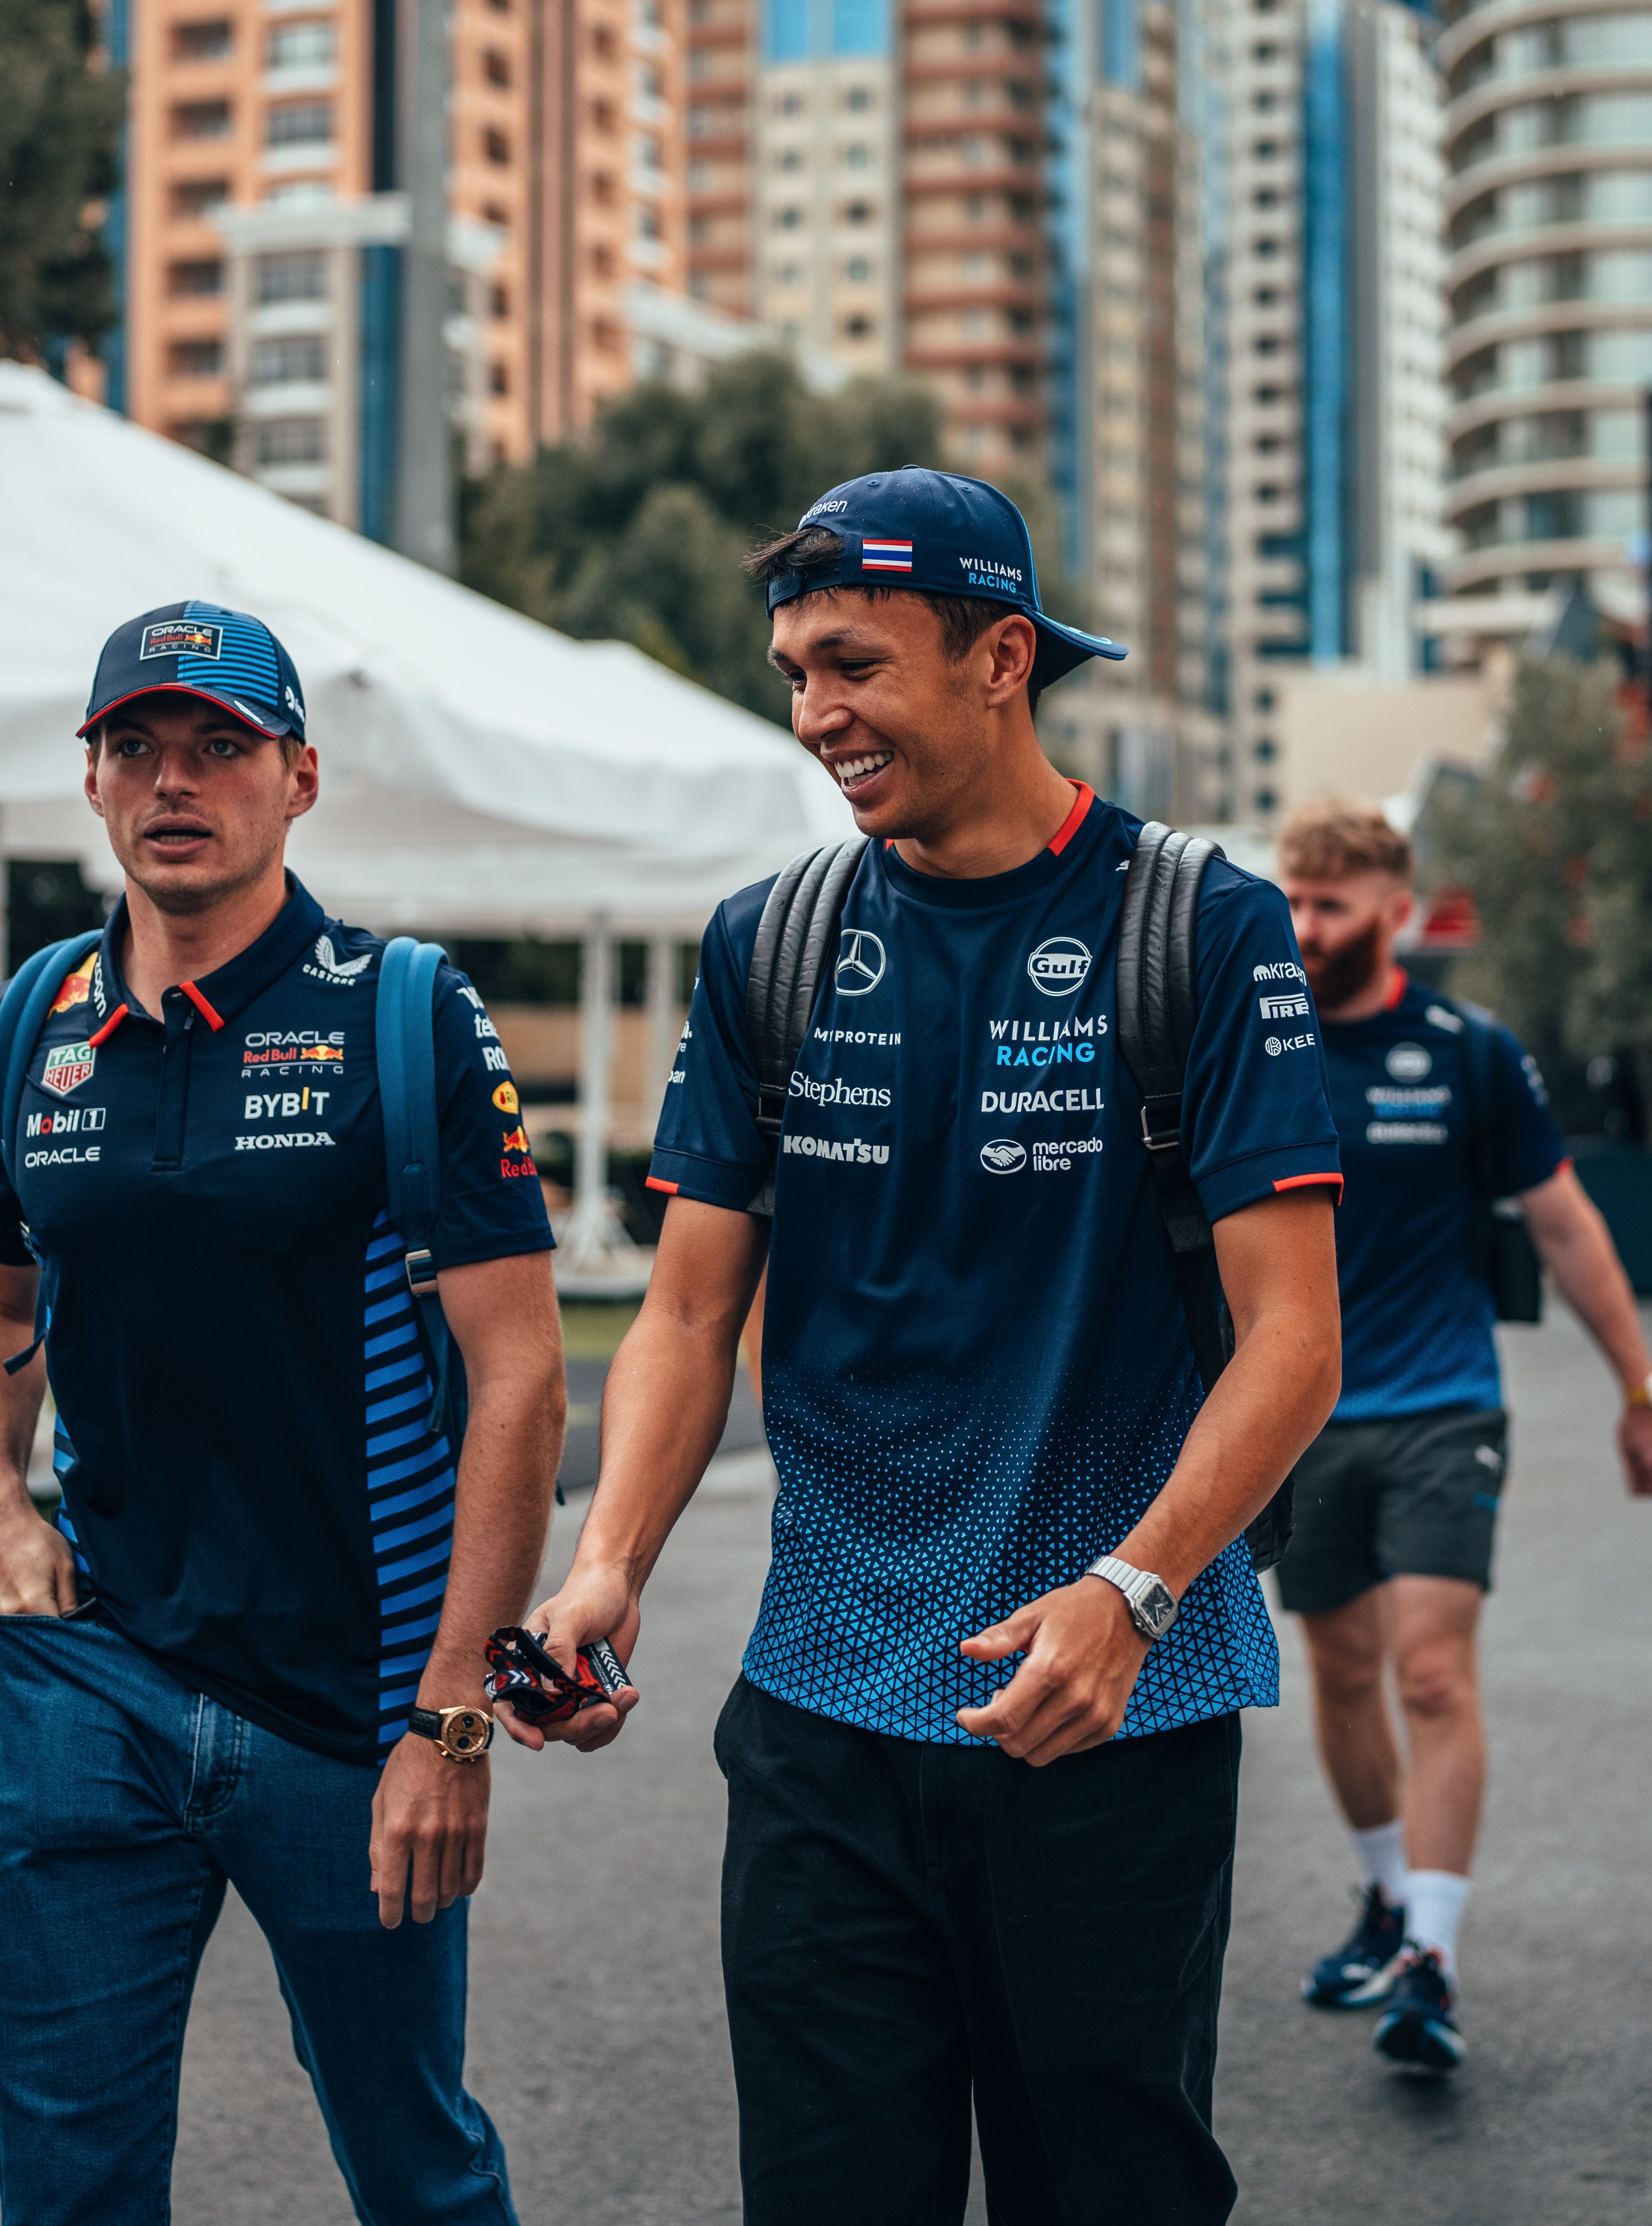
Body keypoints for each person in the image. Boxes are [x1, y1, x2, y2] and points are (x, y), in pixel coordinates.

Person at [514, 472, 1346, 2226]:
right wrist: (607, 1565)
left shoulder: (1197, 924)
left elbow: (1295, 1338)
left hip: (1111, 1715)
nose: (815, 711)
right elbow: (683, 1307)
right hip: (820, 1714)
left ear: (1001, 658)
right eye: (795, 669)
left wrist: (1133, 1588)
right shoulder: (774, 943)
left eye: (852, 662)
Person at [0, 600, 566, 2226]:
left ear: (297, 777)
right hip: (95, 1675)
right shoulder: (29, 1025)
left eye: (220, 744)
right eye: (135, 744)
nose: (175, 778)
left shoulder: (404, 1011)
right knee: (67, 2181)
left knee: (414, 2164)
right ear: (90, 782)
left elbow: (520, 1374)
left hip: (351, 1709)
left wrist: (451, 1718)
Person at [1275, 801, 1652, 2075]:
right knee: (1340, 1672)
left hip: (1444, 1402)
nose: (1303, 925)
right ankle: (1386, 1898)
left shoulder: (1467, 1049)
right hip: (1297, 1417)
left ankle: (1433, 1959)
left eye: (1331, 903)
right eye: (1292, 896)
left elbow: (1562, 1225)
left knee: (1432, 1671)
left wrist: (1638, 1387)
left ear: (1397, 909)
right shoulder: (1258, 1042)